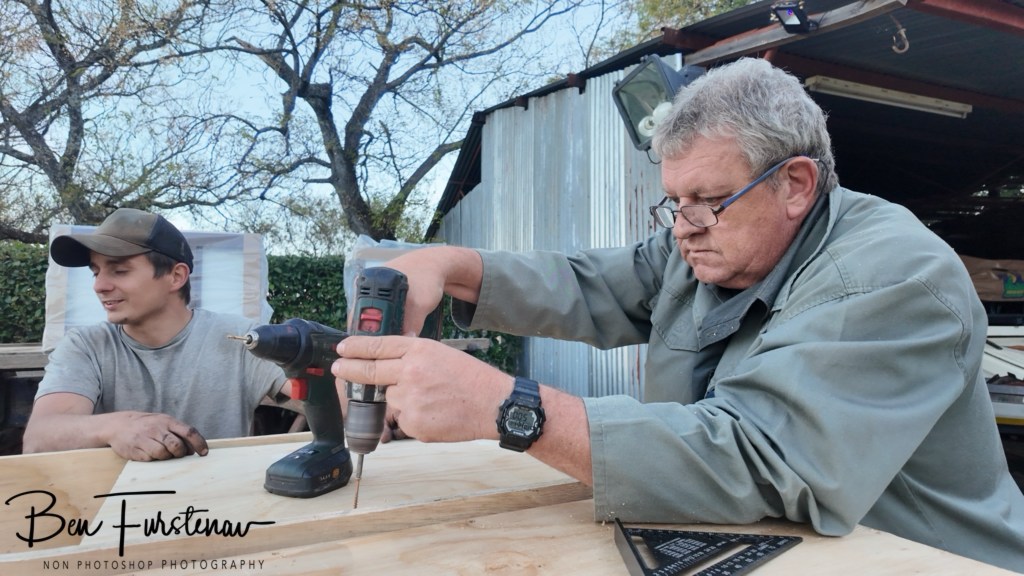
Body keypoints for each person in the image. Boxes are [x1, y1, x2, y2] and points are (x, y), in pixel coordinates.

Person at [332, 58, 1024, 572]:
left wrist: (512, 408)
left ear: (795, 184)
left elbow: (761, 461)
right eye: (674, 200)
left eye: (707, 199)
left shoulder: (889, 276)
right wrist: (446, 263)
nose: (682, 227)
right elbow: (585, 285)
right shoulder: (706, 246)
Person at [23, 208, 288, 461]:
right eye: (96, 272)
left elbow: (314, 395)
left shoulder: (240, 337)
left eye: (119, 271)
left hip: (216, 500)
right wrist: (116, 427)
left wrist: (323, 368)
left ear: (176, 276)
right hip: (115, 503)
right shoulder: (86, 346)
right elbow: (38, 440)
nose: (99, 286)